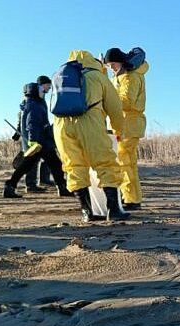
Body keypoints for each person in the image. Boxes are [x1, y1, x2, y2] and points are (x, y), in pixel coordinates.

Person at [53, 50, 130, 222]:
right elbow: (115, 106)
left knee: (74, 167)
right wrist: (119, 130)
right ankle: (113, 209)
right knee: (105, 162)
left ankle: (87, 212)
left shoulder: (61, 74)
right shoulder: (97, 76)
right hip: (89, 121)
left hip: (61, 126)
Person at [3, 83, 71, 199]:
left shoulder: (35, 103)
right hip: (40, 142)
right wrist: (33, 141)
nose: (43, 92)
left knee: (53, 164)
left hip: (43, 141)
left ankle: (62, 187)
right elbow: (32, 124)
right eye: (40, 90)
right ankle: (9, 186)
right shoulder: (33, 105)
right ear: (34, 91)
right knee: (30, 166)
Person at [104, 47, 149, 210]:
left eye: (113, 65)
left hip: (129, 124)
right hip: (122, 124)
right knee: (126, 162)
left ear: (121, 62)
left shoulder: (131, 77)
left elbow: (126, 101)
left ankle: (132, 200)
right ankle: (130, 197)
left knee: (125, 162)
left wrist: (107, 101)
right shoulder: (121, 77)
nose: (111, 68)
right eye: (109, 66)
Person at [26, 75, 56, 189]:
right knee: (33, 159)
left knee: (47, 156)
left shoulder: (41, 99)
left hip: (43, 133)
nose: (49, 88)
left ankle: (44, 179)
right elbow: (32, 121)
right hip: (35, 134)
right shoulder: (34, 101)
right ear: (42, 85)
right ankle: (31, 184)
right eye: (48, 85)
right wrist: (32, 139)